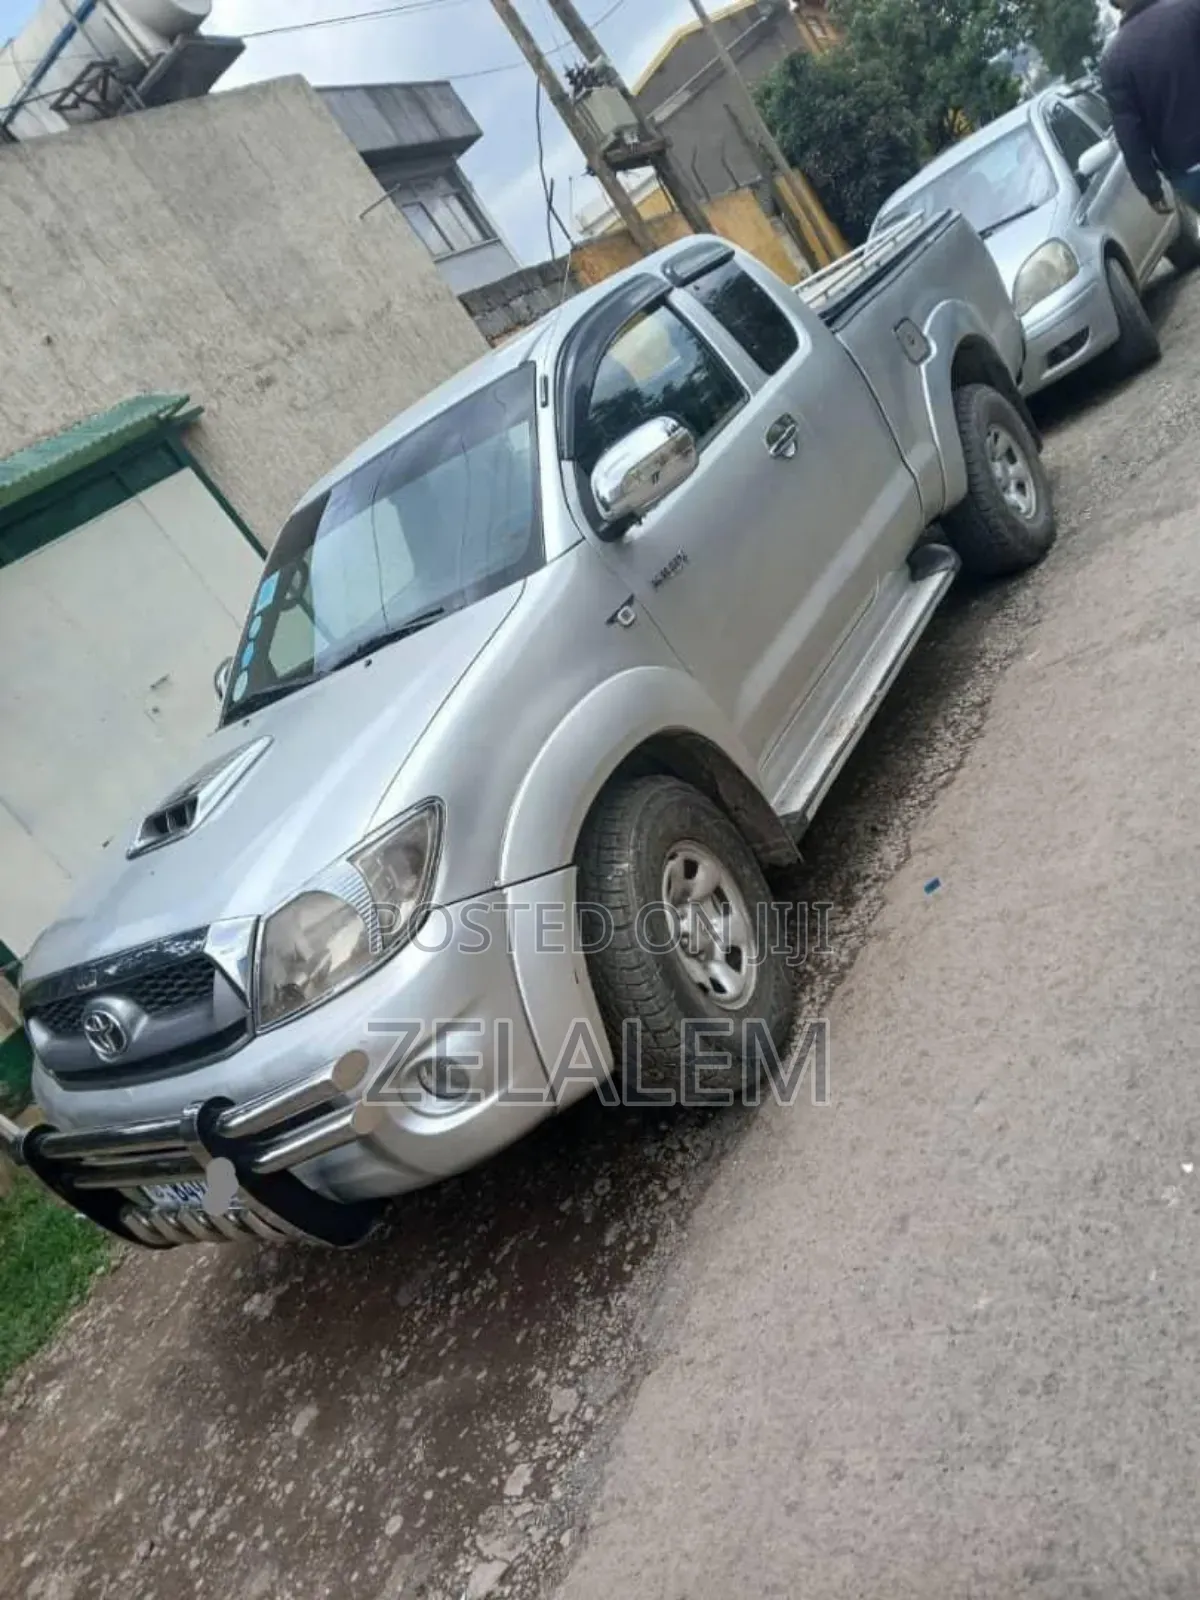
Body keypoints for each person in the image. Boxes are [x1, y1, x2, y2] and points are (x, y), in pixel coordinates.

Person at [1100, 0, 1200, 213]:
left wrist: (1151, 188)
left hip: (1188, 168)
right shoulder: (1190, 9)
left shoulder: (1114, 60)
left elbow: (1130, 134)